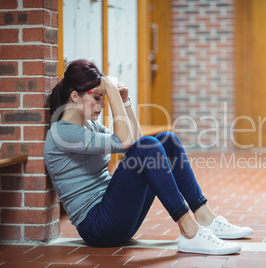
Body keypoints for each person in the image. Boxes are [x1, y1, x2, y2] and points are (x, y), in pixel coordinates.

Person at [44, 59, 253, 255]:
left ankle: (204, 215)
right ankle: (189, 230)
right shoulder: (62, 133)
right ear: (74, 97)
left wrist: (125, 102)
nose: (103, 104)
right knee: (149, 147)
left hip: (116, 216)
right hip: (98, 226)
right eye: (97, 98)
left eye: (104, 98)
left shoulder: (90, 126)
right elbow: (127, 143)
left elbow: (135, 144)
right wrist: (111, 91)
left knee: (166, 141)